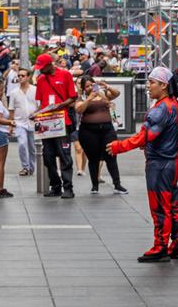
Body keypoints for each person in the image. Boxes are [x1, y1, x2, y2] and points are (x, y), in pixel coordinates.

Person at [109, 66, 178, 261]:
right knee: (173, 204)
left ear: (163, 85)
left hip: (160, 164)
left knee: (160, 206)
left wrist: (119, 146)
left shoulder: (161, 109)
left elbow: (144, 136)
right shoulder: (173, 104)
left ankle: (160, 247)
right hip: (171, 162)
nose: (148, 86)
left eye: (152, 82)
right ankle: (177, 243)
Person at [34, 53, 77, 199]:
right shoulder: (41, 80)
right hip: (46, 122)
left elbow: (73, 97)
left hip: (61, 121)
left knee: (64, 155)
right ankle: (56, 186)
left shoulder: (65, 75)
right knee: (48, 156)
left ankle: (68, 188)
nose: (40, 70)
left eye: (42, 67)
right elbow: (40, 104)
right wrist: (35, 115)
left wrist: (60, 105)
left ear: (49, 65)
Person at [75, 77, 123, 195]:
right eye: (87, 86)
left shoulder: (102, 94)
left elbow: (117, 93)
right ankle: (95, 186)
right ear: (83, 88)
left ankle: (117, 184)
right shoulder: (81, 98)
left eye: (92, 84)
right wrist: (89, 99)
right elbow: (79, 110)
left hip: (107, 129)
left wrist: (106, 86)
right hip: (88, 132)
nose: (90, 87)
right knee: (93, 159)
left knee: (111, 156)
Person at [8, 67, 37, 177]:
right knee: (22, 144)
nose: (20, 77)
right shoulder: (14, 92)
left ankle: (32, 168)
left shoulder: (35, 90)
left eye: (22, 75)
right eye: (19, 75)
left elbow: (39, 106)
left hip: (33, 123)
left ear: (28, 77)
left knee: (33, 148)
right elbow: (11, 109)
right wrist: (10, 125)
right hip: (19, 123)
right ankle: (25, 167)